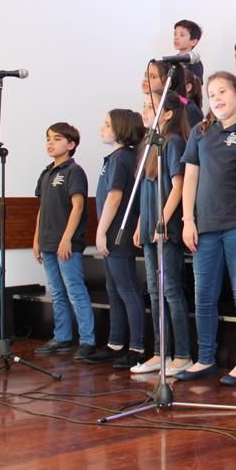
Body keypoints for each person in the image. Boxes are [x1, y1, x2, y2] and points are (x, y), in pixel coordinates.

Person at [176, 72, 236, 385]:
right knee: (204, 295)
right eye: (212, 94)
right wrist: (187, 219)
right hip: (205, 226)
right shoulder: (200, 131)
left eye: (223, 91)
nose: (217, 98)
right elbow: (191, 178)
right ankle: (205, 358)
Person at [131, 91, 193, 377]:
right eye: (144, 106)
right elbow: (146, 188)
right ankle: (160, 352)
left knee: (170, 290)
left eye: (151, 107)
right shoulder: (148, 143)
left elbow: (177, 186)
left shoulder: (174, 142)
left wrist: (162, 221)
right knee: (154, 293)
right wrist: (141, 223)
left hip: (165, 230)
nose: (145, 110)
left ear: (168, 114)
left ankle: (182, 354)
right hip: (149, 228)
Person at [84, 109, 147, 370]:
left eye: (107, 124)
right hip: (111, 232)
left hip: (118, 232)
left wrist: (100, 231)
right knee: (113, 289)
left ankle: (137, 347)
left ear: (120, 129)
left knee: (127, 290)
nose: (102, 128)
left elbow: (115, 197)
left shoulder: (122, 158)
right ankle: (115, 343)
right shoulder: (113, 158)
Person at [33, 122, 95, 361]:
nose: (50, 143)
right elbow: (41, 209)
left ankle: (88, 340)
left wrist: (66, 238)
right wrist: (36, 239)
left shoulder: (74, 171)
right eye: (48, 138)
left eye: (56, 139)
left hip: (66, 243)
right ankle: (62, 337)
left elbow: (78, 206)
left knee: (75, 291)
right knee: (57, 292)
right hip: (47, 242)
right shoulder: (47, 172)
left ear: (70, 145)